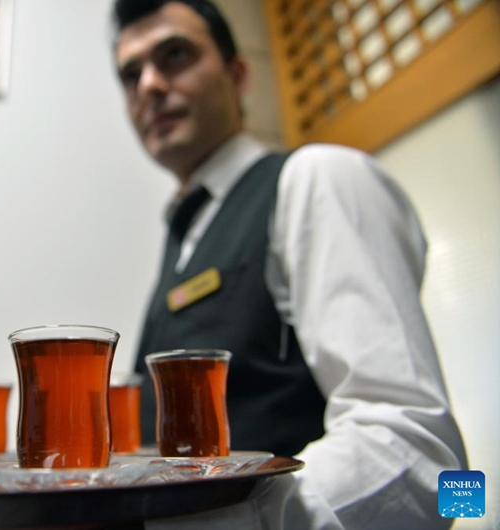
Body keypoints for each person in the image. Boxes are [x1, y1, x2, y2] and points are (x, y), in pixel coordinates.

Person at [111, 0, 468, 528]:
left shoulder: (318, 178)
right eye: (131, 74)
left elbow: (429, 463)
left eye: (175, 55)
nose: (150, 85)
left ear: (236, 75)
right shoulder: (182, 237)